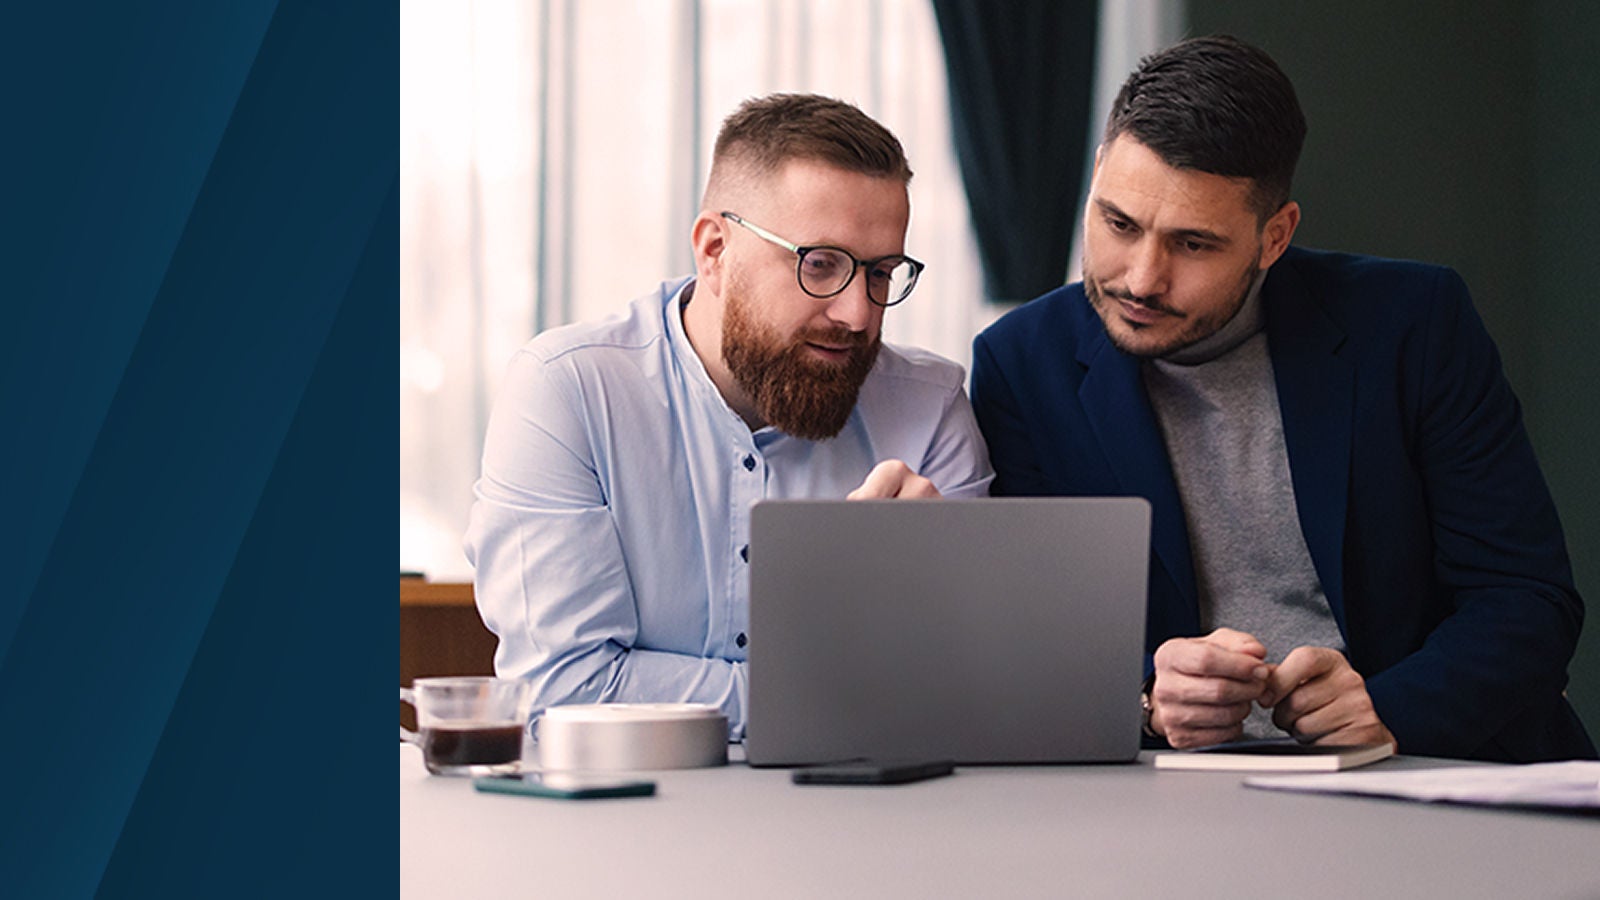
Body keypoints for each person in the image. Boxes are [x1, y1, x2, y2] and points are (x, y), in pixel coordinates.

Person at [970, 35, 1594, 762]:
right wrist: (1144, 698)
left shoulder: (1416, 323)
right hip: (1178, 788)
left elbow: (1527, 600)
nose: (1141, 278)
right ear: (1097, 178)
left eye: (1193, 244)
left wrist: (1389, 710)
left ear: (1275, 237)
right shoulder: (1020, 363)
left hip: (1427, 767)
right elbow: (1035, 629)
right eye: (1119, 224)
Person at [465, 93, 994, 740]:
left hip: (863, 803)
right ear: (715, 250)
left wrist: (924, 592)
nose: (859, 313)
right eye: (820, 264)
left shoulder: (931, 410)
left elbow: (959, 687)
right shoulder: (567, 390)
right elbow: (564, 690)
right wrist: (838, 688)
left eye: (882, 273)